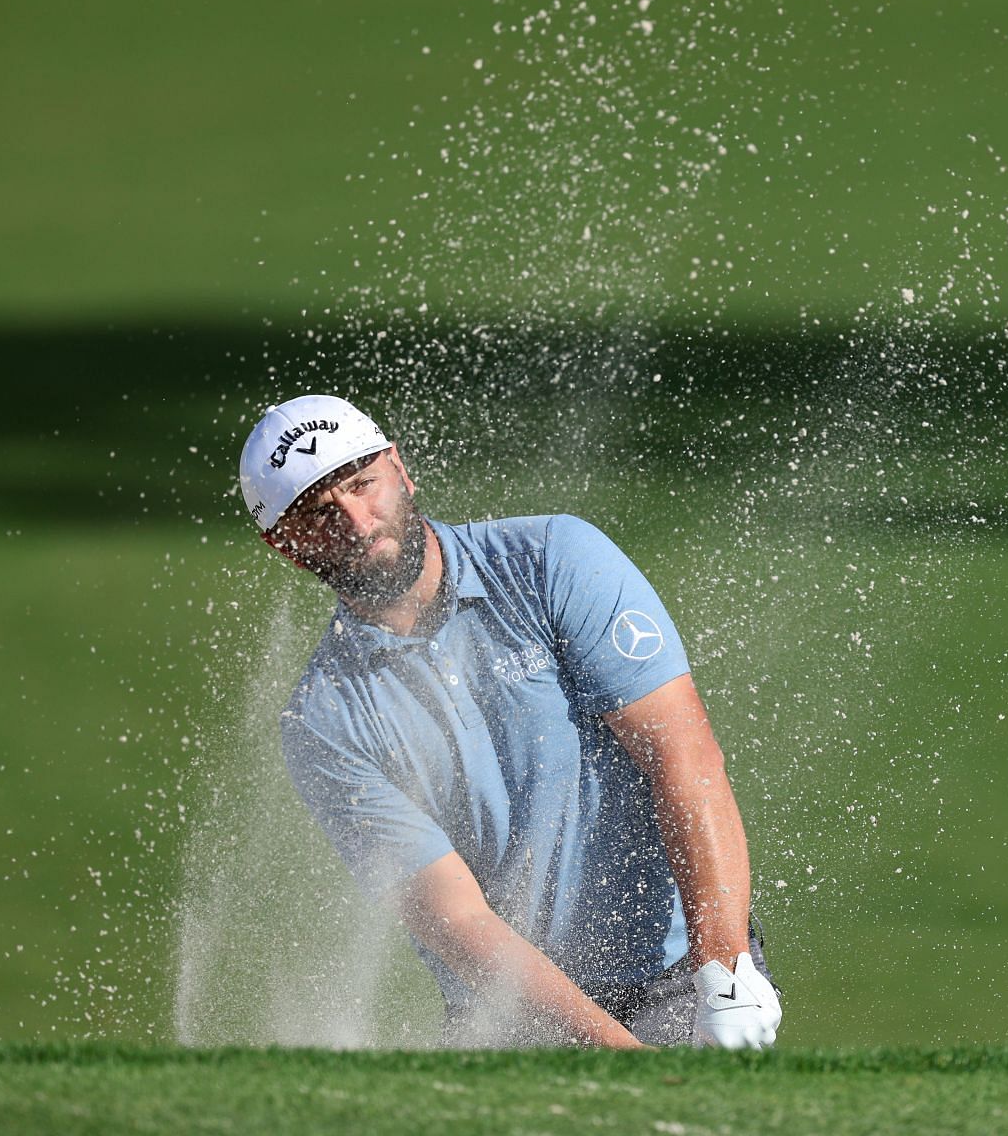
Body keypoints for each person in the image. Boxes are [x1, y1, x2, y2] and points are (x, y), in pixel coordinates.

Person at [237, 393, 780, 1050]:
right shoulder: (324, 721)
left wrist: (725, 974)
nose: (358, 520)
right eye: (323, 512)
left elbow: (683, 757)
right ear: (284, 545)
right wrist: (623, 1061)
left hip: (676, 976)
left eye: (362, 484)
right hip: (512, 1022)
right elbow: (457, 921)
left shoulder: (553, 560)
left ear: (400, 470)